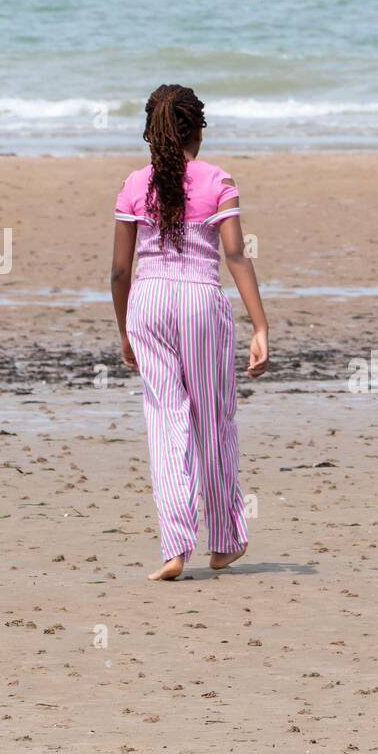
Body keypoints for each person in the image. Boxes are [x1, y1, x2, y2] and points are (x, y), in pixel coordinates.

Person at [109, 84, 270, 581]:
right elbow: (236, 254)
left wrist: (125, 331)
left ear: (151, 132)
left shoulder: (134, 185)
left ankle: (175, 548)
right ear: (198, 129)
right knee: (213, 419)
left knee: (166, 422)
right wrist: (260, 325)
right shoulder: (218, 180)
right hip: (200, 301)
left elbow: (119, 271)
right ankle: (223, 542)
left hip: (148, 303)